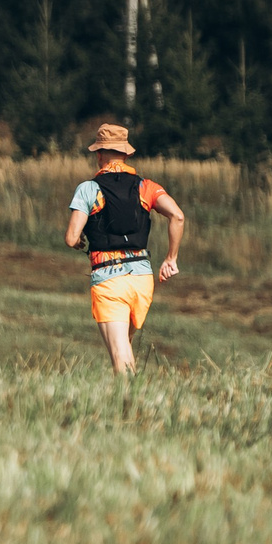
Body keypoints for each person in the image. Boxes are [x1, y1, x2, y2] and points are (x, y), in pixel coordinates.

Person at [63, 123, 185, 375]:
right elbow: (178, 216)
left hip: (109, 280)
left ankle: (132, 408)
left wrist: (77, 242)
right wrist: (170, 258)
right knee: (124, 347)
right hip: (142, 278)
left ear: (99, 154)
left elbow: (71, 237)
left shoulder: (88, 189)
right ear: (127, 153)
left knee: (119, 355)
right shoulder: (146, 187)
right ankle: (130, 400)